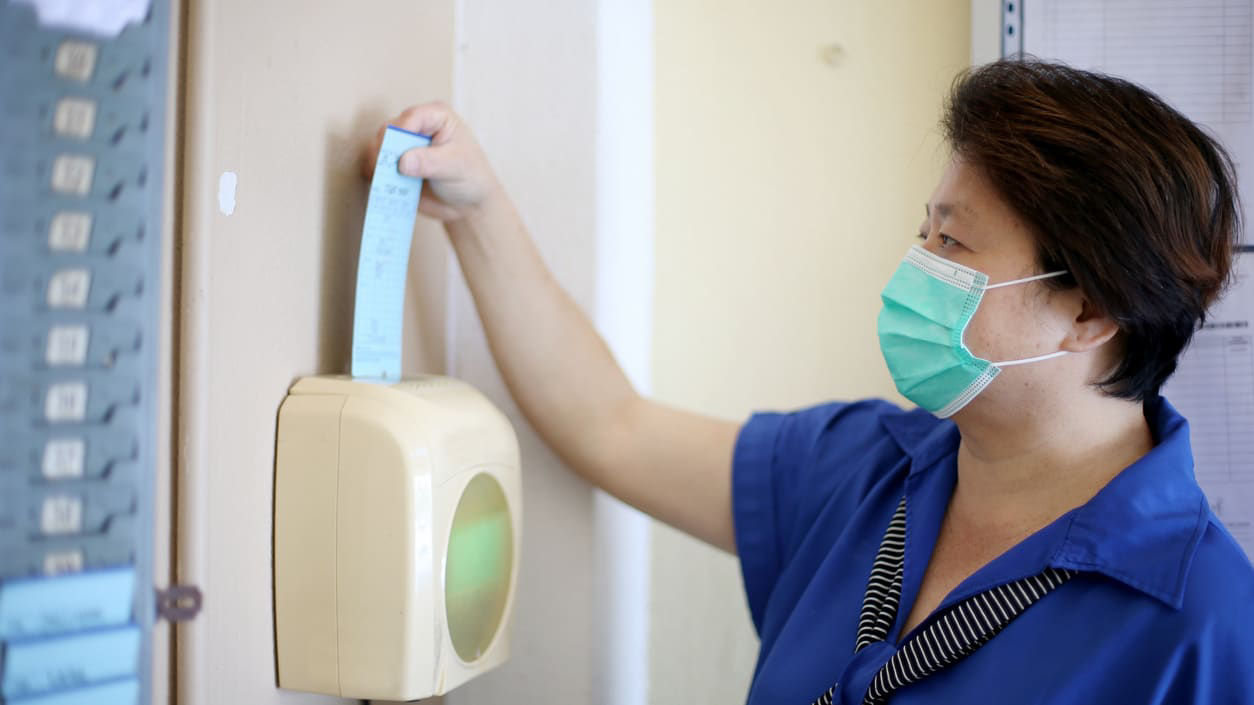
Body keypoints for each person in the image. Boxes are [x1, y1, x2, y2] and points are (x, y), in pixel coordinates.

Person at [364, 60, 1254, 703]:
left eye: (952, 242)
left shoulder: (1205, 623)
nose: (915, 265)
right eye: (924, 231)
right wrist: (478, 213)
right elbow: (610, 425)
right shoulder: (866, 465)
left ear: (1091, 311)